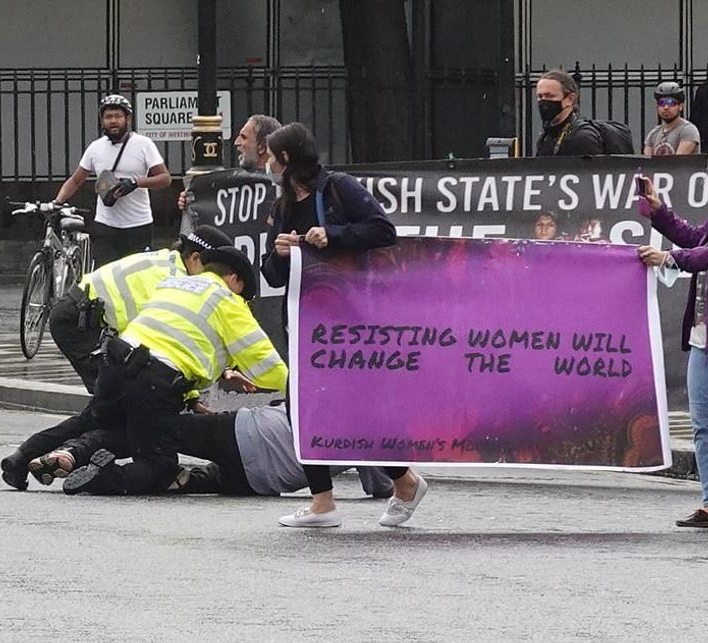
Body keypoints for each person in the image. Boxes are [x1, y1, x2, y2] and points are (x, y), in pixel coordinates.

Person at [259, 122, 422, 529]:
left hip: (350, 319)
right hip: (303, 323)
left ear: (286, 159)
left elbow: (383, 231)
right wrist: (279, 254)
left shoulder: (338, 188)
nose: (265, 163)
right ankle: (322, 502)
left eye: (270, 156)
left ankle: (405, 480)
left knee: (357, 409)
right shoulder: (281, 208)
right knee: (304, 410)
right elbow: (274, 276)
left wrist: (331, 235)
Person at [59, 245, 289, 496]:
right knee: (158, 466)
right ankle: (104, 478)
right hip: (155, 381)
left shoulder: (174, 284)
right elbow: (266, 362)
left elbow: (178, 336)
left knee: (107, 425)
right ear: (234, 279)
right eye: (243, 294)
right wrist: (303, 391)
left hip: (115, 364)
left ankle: (44, 455)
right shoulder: (227, 300)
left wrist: (225, 372)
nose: (243, 301)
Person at [33, 402, 415, 504]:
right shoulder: (374, 433)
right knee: (190, 481)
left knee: (155, 432)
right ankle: (108, 480)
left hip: (247, 431)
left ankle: (72, 454)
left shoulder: (333, 391)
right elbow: (380, 488)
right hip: (266, 481)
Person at [46, 224, 232, 394]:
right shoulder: (173, 282)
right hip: (79, 322)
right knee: (119, 398)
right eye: (214, 272)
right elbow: (165, 348)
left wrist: (191, 397)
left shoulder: (168, 261)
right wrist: (190, 396)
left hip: (82, 317)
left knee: (117, 398)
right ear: (195, 258)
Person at [635, 175, 708, 528]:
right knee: (701, 424)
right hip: (702, 338)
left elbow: (703, 255)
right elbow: (695, 237)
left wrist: (667, 257)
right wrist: (660, 211)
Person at [54, 94, 171, 267]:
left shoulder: (143, 144)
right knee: (104, 279)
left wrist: (136, 183)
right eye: (108, 117)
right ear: (102, 121)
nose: (113, 121)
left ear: (128, 119)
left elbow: (165, 178)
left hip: (138, 225)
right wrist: (57, 202)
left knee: (135, 280)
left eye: (118, 116)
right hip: (105, 225)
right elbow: (76, 180)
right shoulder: (95, 148)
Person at [177, 114, 282, 230]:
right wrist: (193, 201)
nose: (237, 142)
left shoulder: (286, 185)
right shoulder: (234, 186)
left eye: (243, 137)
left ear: (262, 146)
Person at [534, 69, 605, 157]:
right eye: (540, 96)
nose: (544, 101)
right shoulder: (545, 136)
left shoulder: (583, 138)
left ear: (570, 99)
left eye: (550, 96)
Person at [643, 81, 701, 156]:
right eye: (662, 103)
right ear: (657, 107)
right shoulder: (653, 134)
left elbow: (677, 162)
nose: (666, 107)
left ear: (680, 106)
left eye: (671, 103)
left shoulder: (688, 130)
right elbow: (647, 163)